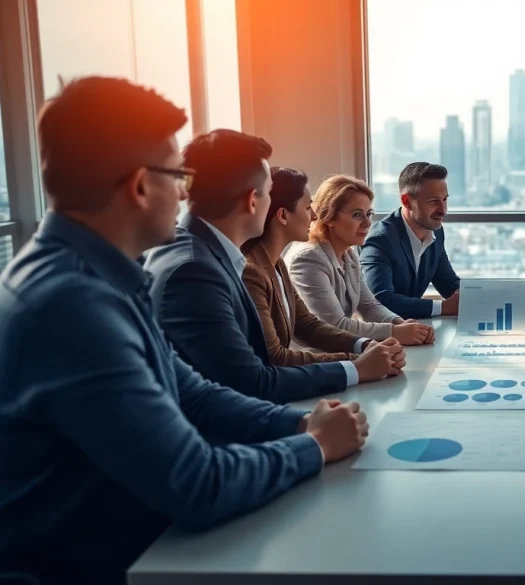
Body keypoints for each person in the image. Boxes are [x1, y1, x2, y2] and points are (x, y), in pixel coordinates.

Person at [0, 77, 369, 584]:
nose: (185, 193)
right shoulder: (72, 306)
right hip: (103, 566)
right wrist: (315, 447)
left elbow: (193, 393)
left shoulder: (100, 274)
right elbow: (197, 484)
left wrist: (298, 426)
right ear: (139, 185)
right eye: (178, 176)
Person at [145, 130, 404, 404]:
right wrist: (355, 367)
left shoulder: (236, 257)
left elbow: (305, 324)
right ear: (252, 200)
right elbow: (254, 378)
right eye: (268, 191)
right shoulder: (197, 270)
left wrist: (363, 346)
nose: (314, 216)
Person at [241, 167, 419, 368]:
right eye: (308, 208)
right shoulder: (258, 270)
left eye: (368, 214)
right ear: (283, 215)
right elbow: (275, 357)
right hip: (300, 373)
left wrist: (367, 345)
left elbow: (308, 325)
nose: (315, 216)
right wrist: (359, 361)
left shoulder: (277, 264)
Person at [285, 174, 435, 345]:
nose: (367, 223)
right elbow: (334, 325)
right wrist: (395, 332)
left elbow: (369, 305)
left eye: (368, 214)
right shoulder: (308, 258)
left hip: (342, 351)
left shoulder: (348, 252)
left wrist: (401, 324)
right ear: (329, 217)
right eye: (357, 215)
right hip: (313, 359)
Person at [360, 162, 461, 319]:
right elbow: (381, 300)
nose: (443, 210)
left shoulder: (436, 232)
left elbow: (448, 284)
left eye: (445, 200)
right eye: (434, 201)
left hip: (414, 329)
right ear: (407, 201)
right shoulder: (381, 239)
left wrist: (478, 295)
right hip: (385, 336)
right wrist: (443, 307)